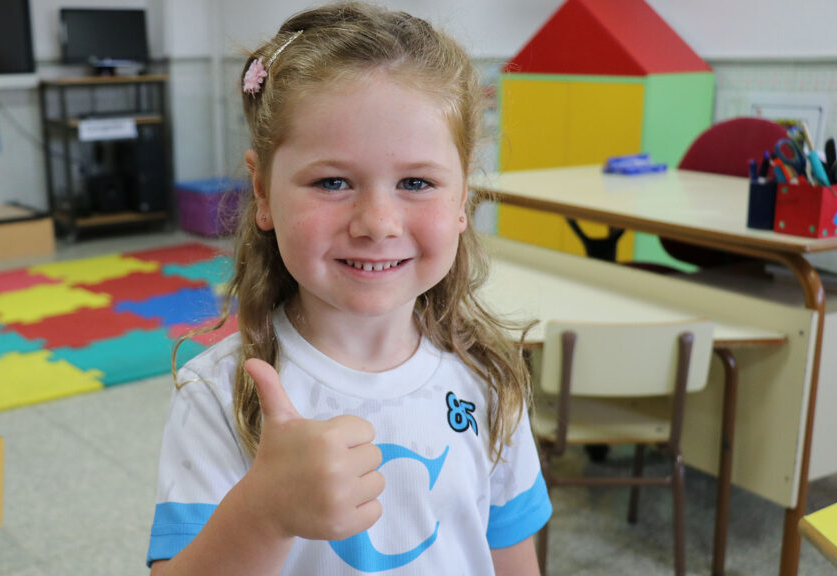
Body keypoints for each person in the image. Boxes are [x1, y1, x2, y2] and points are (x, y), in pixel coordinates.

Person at [148, 3, 551, 575]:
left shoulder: (489, 379)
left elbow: (512, 560)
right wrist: (263, 514)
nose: (378, 223)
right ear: (262, 192)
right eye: (333, 181)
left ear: (463, 197)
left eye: (417, 182)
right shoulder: (219, 394)